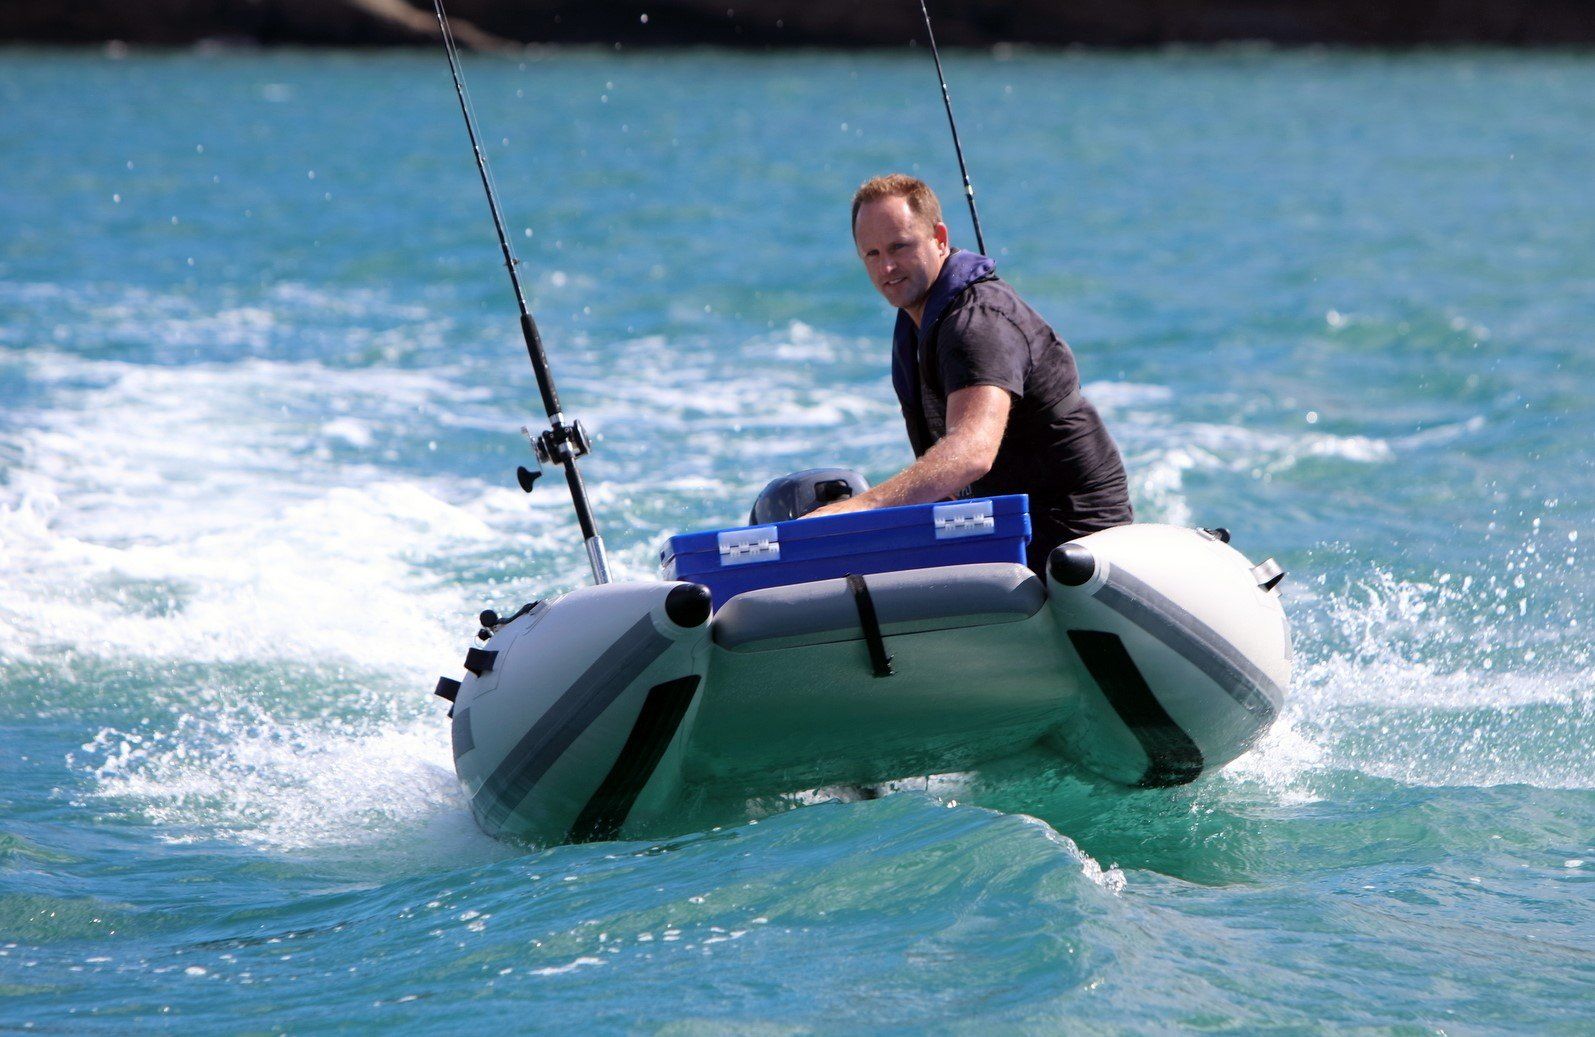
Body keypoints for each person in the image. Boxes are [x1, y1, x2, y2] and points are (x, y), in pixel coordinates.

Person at [806, 174, 1133, 573]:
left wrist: (863, 508)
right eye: (871, 254)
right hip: (1003, 532)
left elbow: (971, 453)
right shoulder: (913, 327)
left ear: (939, 238)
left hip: (1079, 541)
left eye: (899, 247)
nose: (886, 267)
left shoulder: (976, 324)